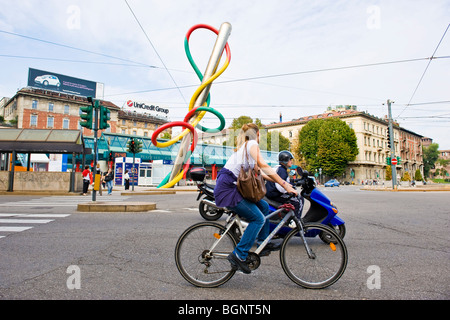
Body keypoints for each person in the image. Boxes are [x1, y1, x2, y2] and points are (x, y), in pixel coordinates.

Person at [214, 123, 297, 274]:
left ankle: (263, 242)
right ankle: (239, 254)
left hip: (232, 187)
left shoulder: (246, 148)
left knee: (264, 207)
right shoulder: (251, 144)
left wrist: (280, 182)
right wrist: (285, 185)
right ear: (257, 135)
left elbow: (260, 173)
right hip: (228, 189)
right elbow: (264, 165)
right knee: (258, 219)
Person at [265, 151, 305, 220]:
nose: (291, 162)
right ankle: (296, 221)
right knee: (299, 200)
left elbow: (284, 181)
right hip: (275, 194)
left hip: (270, 193)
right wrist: (290, 189)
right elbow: (280, 187)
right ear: (285, 160)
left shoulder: (279, 168)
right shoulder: (282, 171)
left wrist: (294, 182)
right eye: (290, 160)